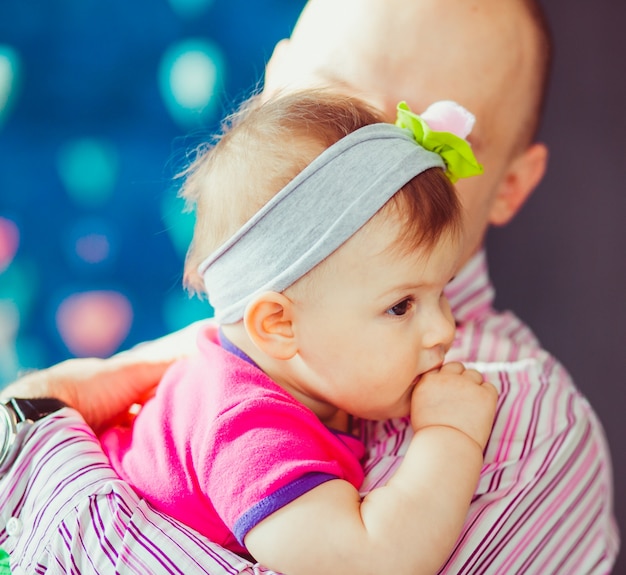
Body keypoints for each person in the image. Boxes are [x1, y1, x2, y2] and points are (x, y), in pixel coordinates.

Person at [0, 0, 619, 573]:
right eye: (334, 103)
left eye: (429, 145)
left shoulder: (526, 423)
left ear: (511, 183)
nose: (368, 185)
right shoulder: (244, 416)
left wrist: (38, 435)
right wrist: (448, 438)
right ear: (272, 84)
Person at [96, 89, 496, 575]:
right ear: (279, 325)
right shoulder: (246, 428)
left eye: (443, 291)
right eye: (400, 305)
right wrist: (450, 436)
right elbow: (369, 562)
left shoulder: (281, 377)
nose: (444, 330)